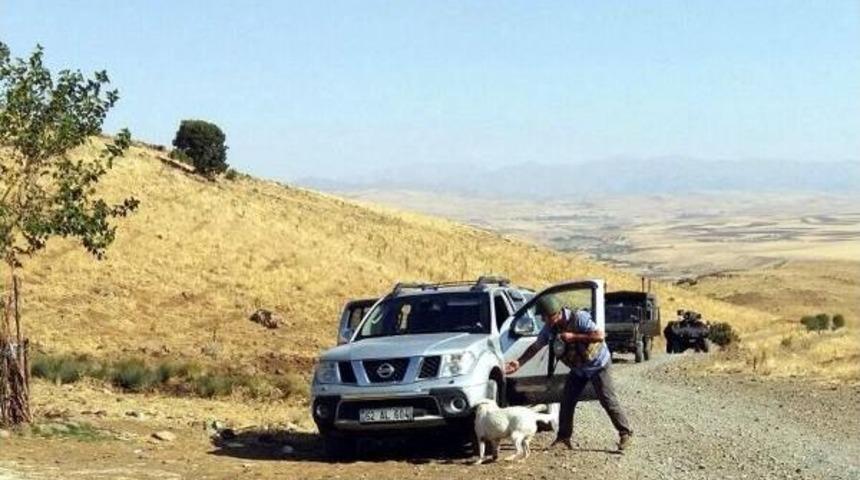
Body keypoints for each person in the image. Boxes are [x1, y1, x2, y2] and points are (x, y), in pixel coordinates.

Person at [505, 294, 633, 451]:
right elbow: (535, 347)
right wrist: (519, 362)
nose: (544, 321)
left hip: (598, 364)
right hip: (578, 369)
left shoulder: (579, 318)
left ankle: (625, 433)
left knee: (607, 399)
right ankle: (563, 438)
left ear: (556, 313)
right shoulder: (550, 329)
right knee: (567, 400)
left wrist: (574, 337)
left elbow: (599, 336)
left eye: (545, 317)